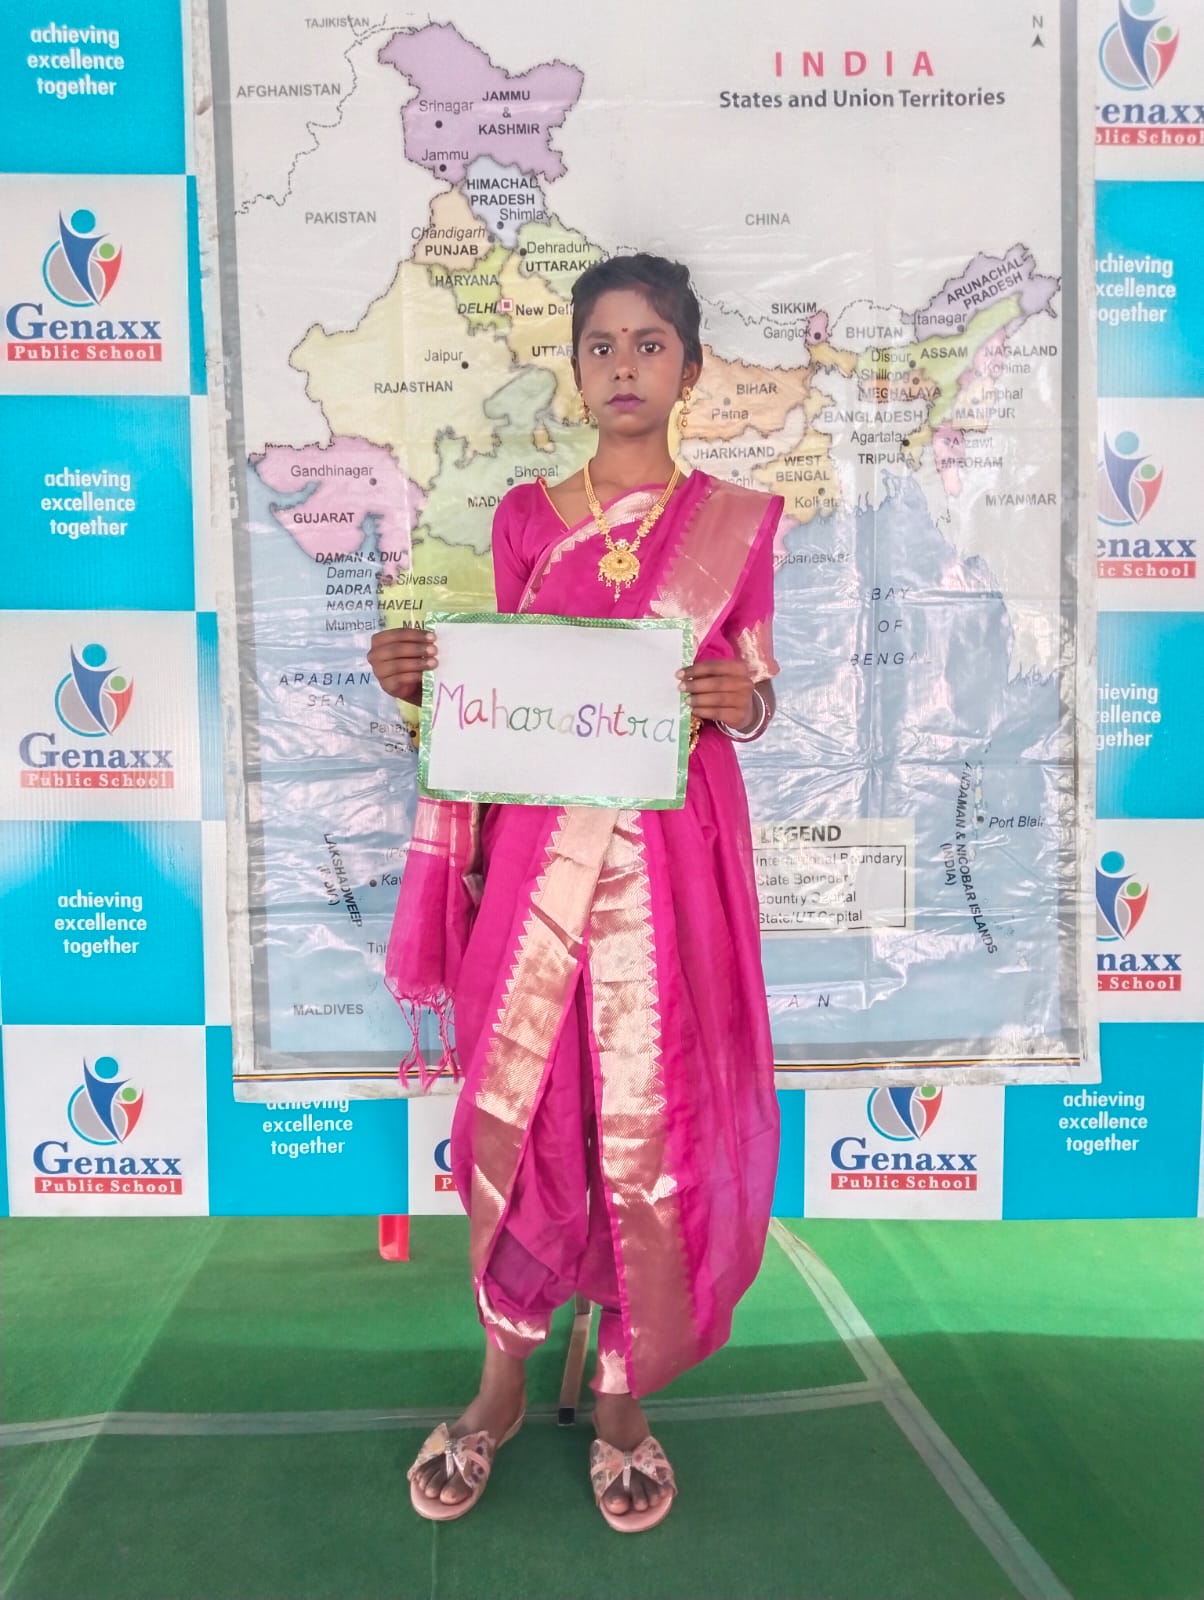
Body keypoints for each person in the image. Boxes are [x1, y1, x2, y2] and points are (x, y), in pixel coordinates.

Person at [367, 253, 783, 1532]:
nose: (623, 366)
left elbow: (754, 687)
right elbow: (509, 700)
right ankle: (499, 1385)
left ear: (690, 371)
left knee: (653, 1118)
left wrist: (742, 700)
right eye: (601, 345)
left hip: (673, 872)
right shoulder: (525, 520)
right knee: (531, 1107)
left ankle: (619, 1396)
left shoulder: (736, 524)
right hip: (539, 872)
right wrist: (424, 683)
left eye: (650, 344)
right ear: (575, 368)